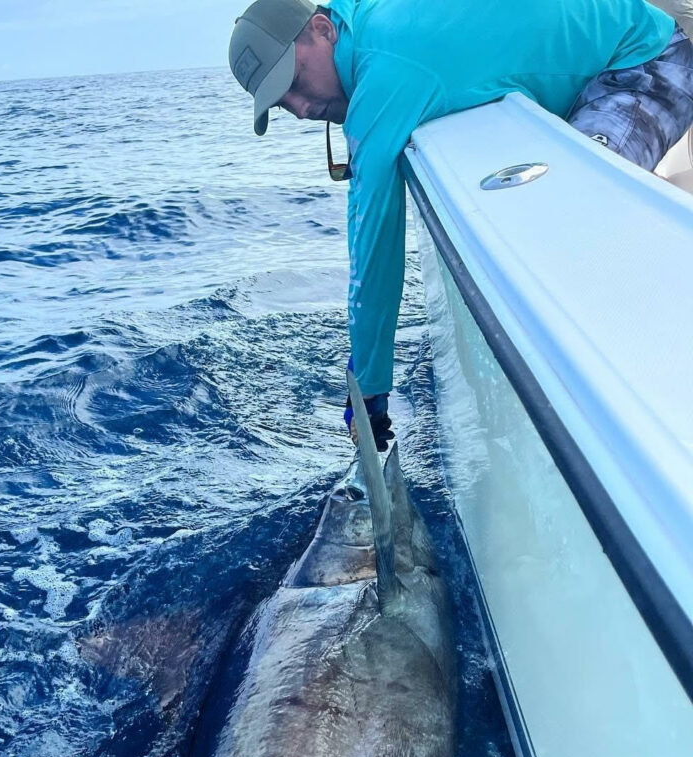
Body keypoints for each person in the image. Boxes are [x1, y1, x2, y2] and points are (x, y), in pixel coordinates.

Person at [229, 0, 693, 450]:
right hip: (592, 61)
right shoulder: (364, 16)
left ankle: (646, 409)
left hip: (642, 63)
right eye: (280, 102)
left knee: (573, 216)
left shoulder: (384, 72)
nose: (301, 108)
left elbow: (373, 236)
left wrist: (369, 386)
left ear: (322, 30)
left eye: (293, 80)